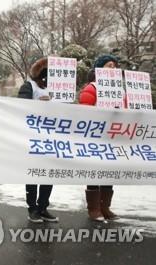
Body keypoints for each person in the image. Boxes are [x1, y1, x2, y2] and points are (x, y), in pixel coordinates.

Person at [78, 55, 120, 221]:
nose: (114, 69)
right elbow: (85, 113)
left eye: (115, 66)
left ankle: (105, 207)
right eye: (110, 66)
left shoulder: (118, 90)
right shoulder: (91, 89)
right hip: (96, 138)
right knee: (95, 172)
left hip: (113, 137)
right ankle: (94, 209)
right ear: (100, 69)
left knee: (109, 172)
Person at [17, 57, 59, 223]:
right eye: (44, 74)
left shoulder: (58, 89)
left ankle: (43, 207)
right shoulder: (29, 87)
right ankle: (32, 208)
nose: (46, 78)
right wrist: (38, 105)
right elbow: (21, 108)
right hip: (34, 138)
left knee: (48, 174)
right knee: (34, 174)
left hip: (53, 137)